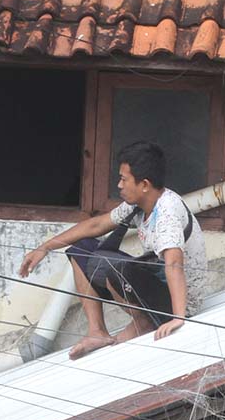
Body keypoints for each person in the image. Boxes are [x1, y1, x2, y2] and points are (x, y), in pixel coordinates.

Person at [19, 141, 207, 359]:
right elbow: (96, 225)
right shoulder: (139, 203)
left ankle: (144, 321)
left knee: (116, 269)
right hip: (157, 283)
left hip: (182, 302)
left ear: (144, 184)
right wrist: (45, 247)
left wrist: (178, 317)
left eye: (124, 179)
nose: (119, 185)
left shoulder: (166, 213)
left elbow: (174, 264)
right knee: (81, 250)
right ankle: (97, 331)